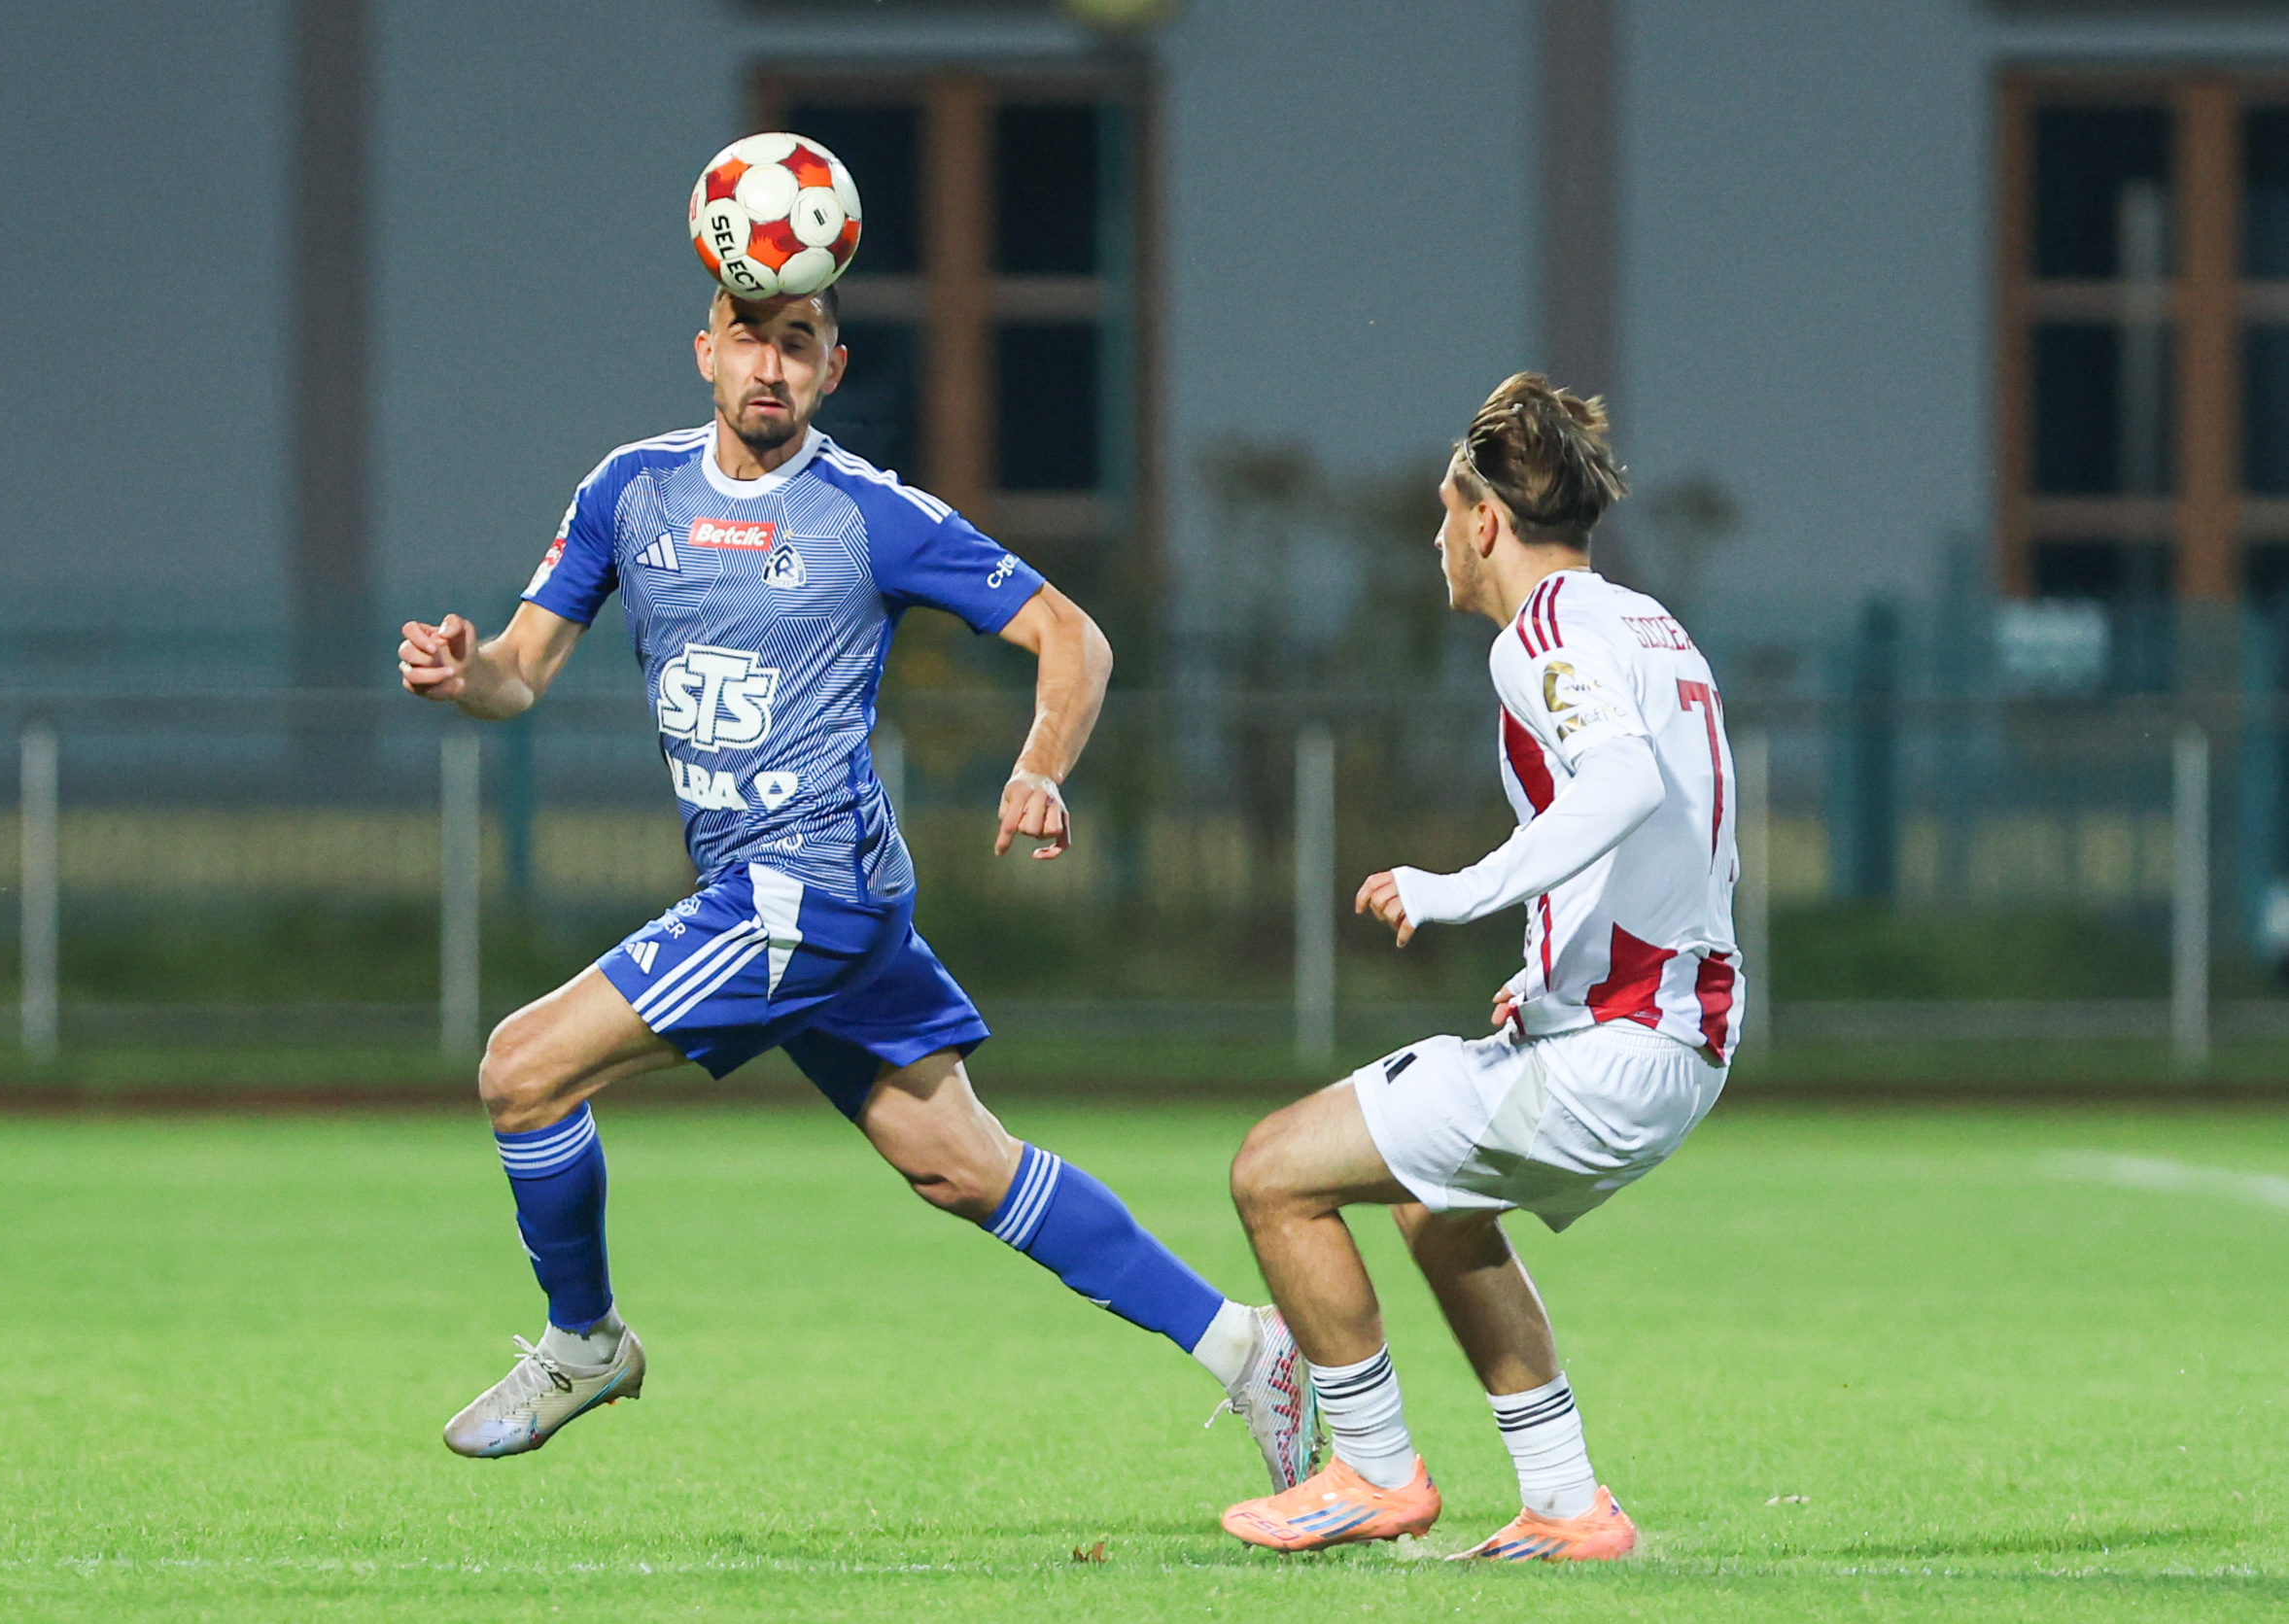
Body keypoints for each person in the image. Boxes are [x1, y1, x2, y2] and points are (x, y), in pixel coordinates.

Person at [397, 283, 1316, 1491]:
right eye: (747, 341)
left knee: (521, 1070)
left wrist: (1038, 764)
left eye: (796, 345)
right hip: (798, 891)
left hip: (807, 889)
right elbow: (520, 672)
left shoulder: (867, 515)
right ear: (703, 354)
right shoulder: (629, 491)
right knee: (958, 1162)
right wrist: (467, 677)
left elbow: (1071, 636)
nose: (768, 367)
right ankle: (1250, 1351)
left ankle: (585, 1342)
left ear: (830, 367)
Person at [1215, 374, 1742, 1560]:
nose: (1432, 536)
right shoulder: (1645, 622)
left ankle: (1370, 1471)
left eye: (1442, 511)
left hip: (1627, 1045)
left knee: (1271, 1173)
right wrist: (1558, 976)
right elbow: (1685, 834)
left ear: (1485, 522)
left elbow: (1621, 787)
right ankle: (1564, 1505)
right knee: (1434, 1205)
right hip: (1667, 1028)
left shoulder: (1542, 635)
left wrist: (1452, 890)